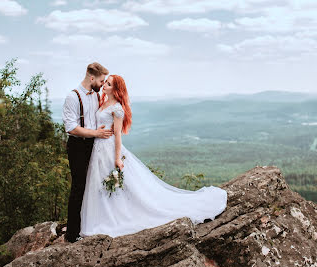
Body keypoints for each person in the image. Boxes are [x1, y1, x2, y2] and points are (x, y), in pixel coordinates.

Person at [79, 74, 227, 238]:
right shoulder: (103, 102)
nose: (105, 85)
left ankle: (116, 216)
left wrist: (116, 158)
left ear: (116, 89)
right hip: (98, 148)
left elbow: (118, 135)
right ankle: (103, 216)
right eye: (105, 82)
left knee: (116, 185)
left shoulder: (117, 108)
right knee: (98, 183)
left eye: (109, 84)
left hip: (109, 148)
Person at [62, 62, 113, 243]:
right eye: (101, 80)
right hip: (78, 146)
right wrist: (96, 133)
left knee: (94, 185)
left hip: (93, 144)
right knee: (79, 187)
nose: (102, 83)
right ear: (92, 78)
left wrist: (99, 132)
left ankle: (89, 225)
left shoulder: (94, 95)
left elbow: (91, 120)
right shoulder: (72, 97)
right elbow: (72, 128)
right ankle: (72, 234)